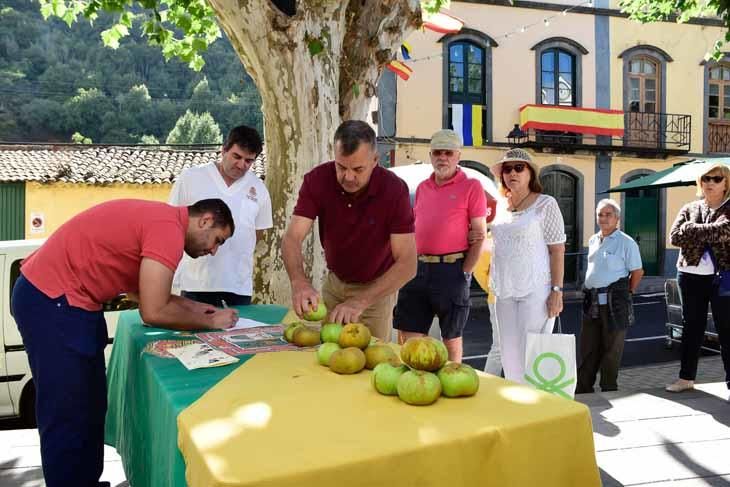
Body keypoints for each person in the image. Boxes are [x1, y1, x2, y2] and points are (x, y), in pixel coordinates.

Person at [10, 198, 239, 487]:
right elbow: (153, 310)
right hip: (52, 298)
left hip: (73, 302)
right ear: (205, 220)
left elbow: (141, 293)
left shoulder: (161, 222)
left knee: (90, 405)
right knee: (67, 411)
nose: (213, 250)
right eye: (218, 240)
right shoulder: (168, 229)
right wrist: (209, 322)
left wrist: (207, 312)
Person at [281, 120, 417, 341]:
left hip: (376, 292)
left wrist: (361, 301)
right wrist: (299, 282)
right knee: (328, 359)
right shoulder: (317, 180)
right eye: (341, 167)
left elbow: (408, 264)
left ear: (375, 160)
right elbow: (292, 238)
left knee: (370, 366)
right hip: (334, 285)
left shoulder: (394, 190)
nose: (348, 177)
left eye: (358, 169)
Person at [393, 129, 493, 361]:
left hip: (451, 269)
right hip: (416, 269)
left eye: (448, 153)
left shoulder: (472, 187)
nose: (442, 157)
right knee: (410, 335)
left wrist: (465, 272)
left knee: (451, 336)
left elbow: (479, 234)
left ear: (458, 156)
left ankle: (452, 381)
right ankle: (417, 379)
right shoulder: (423, 188)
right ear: (430, 155)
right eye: (437, 152)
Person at [169, 125, 272, 308]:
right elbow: (172, 224)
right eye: (237, 156)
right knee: (193, 337)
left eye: (249, 161)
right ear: (223, 149)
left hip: (239, 288)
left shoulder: (260, 190)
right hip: (195, 283)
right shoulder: (190, 178)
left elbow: (258, 233)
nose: (241, 165)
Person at [489, 148, 566, 384]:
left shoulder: (545, 204)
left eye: (518, 168)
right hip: (504, 290)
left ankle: (537, 413)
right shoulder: (500, 206)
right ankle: (518, 410)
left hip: (536, 290)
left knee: (533, 358)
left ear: (530, 173)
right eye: (507, 169)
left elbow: (557, 250)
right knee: (509, 359)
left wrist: (556, 292)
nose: (512, 172)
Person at [666, 163, 730, 393]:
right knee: (691, 327)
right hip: (689, 275)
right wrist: (707, 230)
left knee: (726, 330)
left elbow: (724, 231)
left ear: (725, 183)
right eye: (706, 179)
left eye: (716, 179)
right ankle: (686, 378)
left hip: (721, 277)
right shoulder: (689, 207)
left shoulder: (728, 207)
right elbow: (674, 236)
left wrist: (692, 229)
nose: (710, 183)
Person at [576, 199, 644, 393]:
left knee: (611, 351)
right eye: (600, 214)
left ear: (617, 218)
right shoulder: (593, 239)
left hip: (614, 305)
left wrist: (626, 293)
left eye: (608, 215)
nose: (603, 218)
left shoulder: (627, 243)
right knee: (588, 349)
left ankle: (609, 389)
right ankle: (583, 389)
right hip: (592, 303)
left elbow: (638, 272)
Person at [473, 231, 503, 375]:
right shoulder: (489, 241)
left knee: (501, 348)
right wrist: (493, 290)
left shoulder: (490, 240)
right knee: (500, 348)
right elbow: (479, 272)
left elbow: (479, 273)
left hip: (499, 298)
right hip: (498, 299)